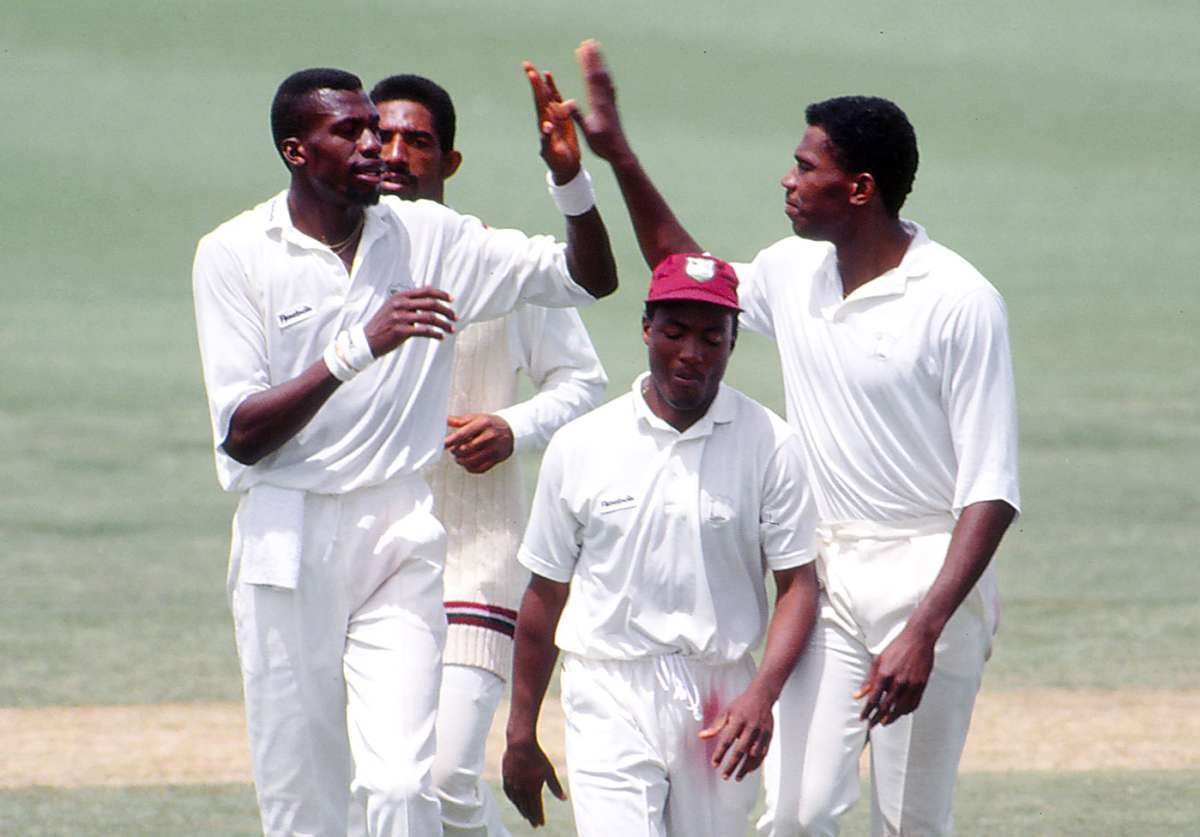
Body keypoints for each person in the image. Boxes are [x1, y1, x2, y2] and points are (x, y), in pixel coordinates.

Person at [564, 41, 1021, 837]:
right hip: (828, 576)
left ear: (859, 187)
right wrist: (619, 158)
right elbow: (686, 275)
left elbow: (992, 489)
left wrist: (926, 628)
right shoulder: (793, 270)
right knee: (799, 813)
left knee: (911, 820)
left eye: (806, 166)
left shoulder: (959, 299)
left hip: (926, 578)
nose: (789, 178)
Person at [191, 65, 617, 837]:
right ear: (296, 150)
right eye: (351, 132)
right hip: (286, 533)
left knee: (400, 786)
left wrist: (570, 182)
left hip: (400, 529)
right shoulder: (234, 253)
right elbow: (243, 434)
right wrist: (360, 347)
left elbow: (589, 280)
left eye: (379, 130)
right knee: (304, 805)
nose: (374, 147)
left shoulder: (433, 236)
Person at [501, 253, 821, 836]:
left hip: (721, 695)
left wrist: (761, 696)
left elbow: (799, 584)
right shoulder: (581, 446)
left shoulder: (771, 444)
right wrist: (521, 730)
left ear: (732, 343)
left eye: (712, 337)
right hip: (608, 684)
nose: (692, 353)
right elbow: (544, 593)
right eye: (674, 332)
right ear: (647, 328)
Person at [368, 73, 608, 837]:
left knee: (444, 780)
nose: (399, 154)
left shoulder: (491, 262)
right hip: (369, 556)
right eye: (386, 138)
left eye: (420, 141)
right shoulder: (338, 259)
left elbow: (582, 380)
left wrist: (512, 425)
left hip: (474, 555)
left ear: (452, 160)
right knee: (382, 785)